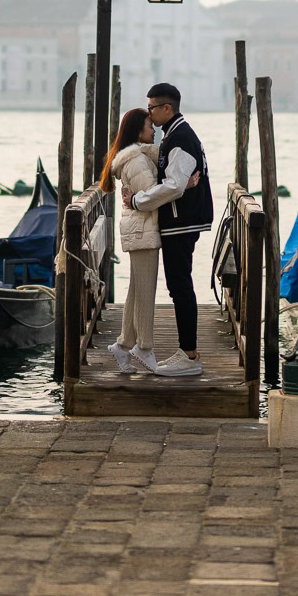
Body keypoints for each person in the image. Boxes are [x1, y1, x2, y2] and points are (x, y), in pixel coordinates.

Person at [124, 82, 208, 377]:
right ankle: (188, 352)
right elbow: (176, 180)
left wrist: (137, 200)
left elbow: (173, 185)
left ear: (166, 108)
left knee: (180, 286)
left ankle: (189, 355)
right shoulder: (174, 136)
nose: (149, 113)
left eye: (151, 108)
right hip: (179, 221)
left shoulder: (181, 138)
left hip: (181, 223)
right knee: (178, 285)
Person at [100, 107, 171, 375]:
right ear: (138, 131)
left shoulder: (137, 158)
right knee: (145, 291)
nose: (154, 130)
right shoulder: (137, 162)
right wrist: (183, 186)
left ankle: (123, 344)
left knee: (135, 288)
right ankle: (145, 346)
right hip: (142, 231)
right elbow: (153, 195)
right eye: (149, 126)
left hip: (139, 229)